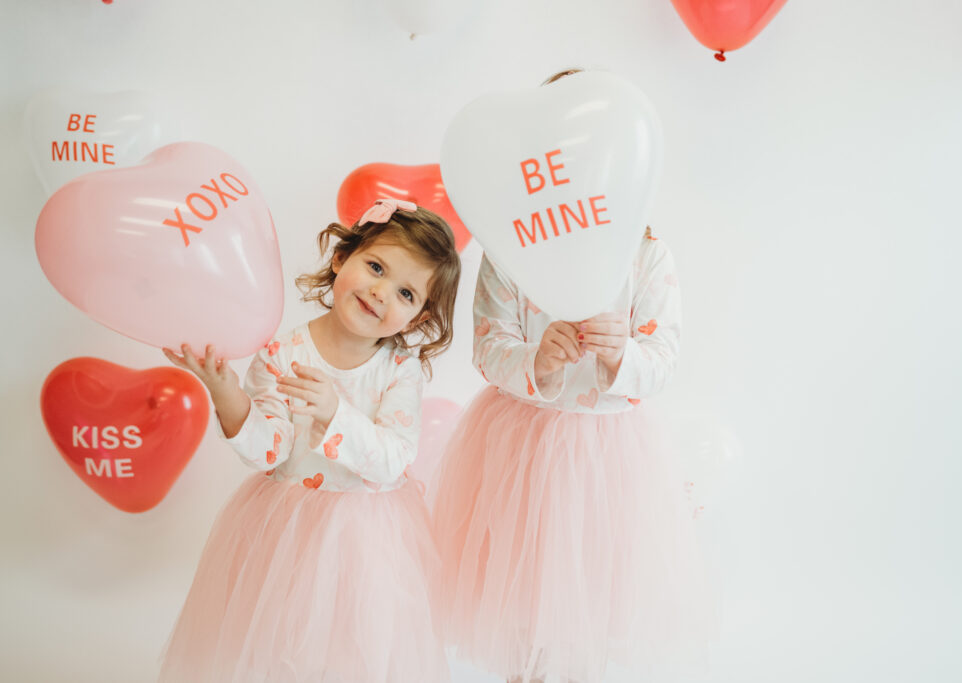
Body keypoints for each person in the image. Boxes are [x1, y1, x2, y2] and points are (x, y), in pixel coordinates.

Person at [430, 70, 713, 683]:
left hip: (610, 454)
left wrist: (621, 358)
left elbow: (662, 356)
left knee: (591, 596)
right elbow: (488, 345)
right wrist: (538, 361)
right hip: (523, 444)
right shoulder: (511, 248)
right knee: (524, 597)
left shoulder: (647, 253)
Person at [158, 198, 461, 683]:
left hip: (368, 541)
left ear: (420, 319)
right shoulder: (283, 352)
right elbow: (268, 450)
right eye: (376, 267)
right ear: (342, 258)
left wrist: (335, 414)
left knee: (354, 656)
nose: (382, 292)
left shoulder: (399, 371)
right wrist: (225, 391)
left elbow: (393, 460)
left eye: (406, 293)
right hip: (286, 534)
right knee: (281, 652)